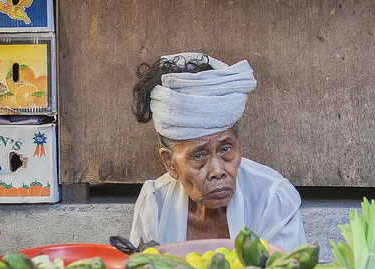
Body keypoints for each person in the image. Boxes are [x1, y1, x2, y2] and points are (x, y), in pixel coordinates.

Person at [129, 52, 306, 251]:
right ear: (170, 162)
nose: (218, 171)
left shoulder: (272, 199)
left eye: (226, 149)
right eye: (199, 156)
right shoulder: (155, 204)